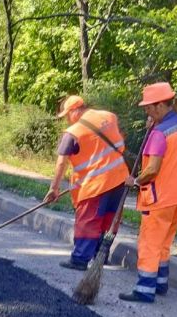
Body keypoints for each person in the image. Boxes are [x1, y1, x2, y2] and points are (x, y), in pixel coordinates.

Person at [119, 82, 177, 303]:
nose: (146, 111)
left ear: (161, 105)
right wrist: (153, 126)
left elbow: (152, 169)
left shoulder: (160, 133)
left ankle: (144, 289)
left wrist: (134, 181)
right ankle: (161, 283)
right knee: (164, 241)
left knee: (150, 243)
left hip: (160, 197)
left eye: (149, 107)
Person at [45, 95, 127, 270]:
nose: (67, 119)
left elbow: (61, 162)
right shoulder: (109, 117)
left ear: (75, 111)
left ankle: (80, 259)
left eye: (67, 115)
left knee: (88, 221)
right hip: (120, 179)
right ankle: (101, 256)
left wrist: (54, 188)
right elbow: (118, 143)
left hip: (95, 184)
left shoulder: (73, 132)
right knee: (109, 220)